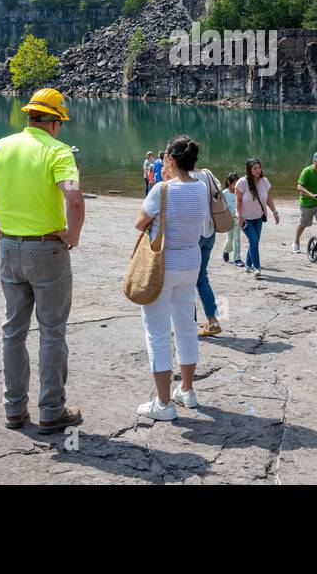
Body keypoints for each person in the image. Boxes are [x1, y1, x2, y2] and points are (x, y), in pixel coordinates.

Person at [0, 87, 84, 434]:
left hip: (9, 248)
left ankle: (14, 410)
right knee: (52, 331)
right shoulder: (58, 151)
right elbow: (73, 199)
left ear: (29, 116)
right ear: (56, 122)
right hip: (47, 251)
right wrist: (73, 236)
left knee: (13, 331)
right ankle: (51, 411)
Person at [134, 135, 211, 420]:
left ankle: (163, 403)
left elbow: (140, 222)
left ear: (170, 160)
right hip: (191, 263)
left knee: (156, 331)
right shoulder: (201, 188)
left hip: (162, 266)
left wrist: (164, 181)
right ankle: (187, 391)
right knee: (186, 326)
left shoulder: (161, 190)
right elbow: (202, 227)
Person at [190, 160, 226, 338]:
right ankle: (213, 321)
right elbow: (218, 189)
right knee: (202, 278)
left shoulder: (183, 178)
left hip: (193, 236)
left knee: (187, 281)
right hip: (210, 232)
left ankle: (190, 324)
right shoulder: (207, 173)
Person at [235, 157, 280, 279]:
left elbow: (268, 198)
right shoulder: (242, 183)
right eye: (254, 168)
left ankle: (248, 264)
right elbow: (238, 200)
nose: (257, 170)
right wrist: (239, 216)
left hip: (259, 218)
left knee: (253, 242)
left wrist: (275, 212)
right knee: (254, 242)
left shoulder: (264, 181)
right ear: (249, 170)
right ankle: (257, 268)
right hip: (245, 218)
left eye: (259, 168)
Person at [293, 151, 317, 253]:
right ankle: (296, 242)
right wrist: (311, 195)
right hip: (307, 204)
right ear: (314, 161)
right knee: (303, 224)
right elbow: (299, 186)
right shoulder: (307, 171)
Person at [221, 172, 241, 262]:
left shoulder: (239, 193)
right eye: (235, 183)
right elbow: (219, 205)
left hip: (238, 219)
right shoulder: (224, 193)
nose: (237, 185)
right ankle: (226, 251)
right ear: (229, 182)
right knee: (230, 239)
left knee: (237, 239)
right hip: (228, 220)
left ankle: (237, 258)